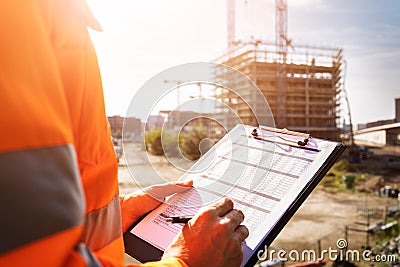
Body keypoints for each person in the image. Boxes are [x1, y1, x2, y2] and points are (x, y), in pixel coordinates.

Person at [0, 1, 249, 267]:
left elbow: (39, 211)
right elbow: (28, 254)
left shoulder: (55, 14)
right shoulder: (20, 12)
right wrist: (185, 264)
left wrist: (118, 214)